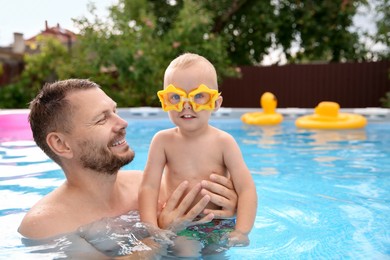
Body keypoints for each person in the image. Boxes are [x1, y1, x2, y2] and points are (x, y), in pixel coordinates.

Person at [18, 79, 238, 256]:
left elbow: (209, 242)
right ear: (61, 144)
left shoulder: (148, 186)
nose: (122, 123)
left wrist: (226, 212)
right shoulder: (46, 224)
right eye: (102, 119)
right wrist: (161, 234)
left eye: (115, 111)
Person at [138, 53, 257, 254]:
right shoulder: (162, 141)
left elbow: (246, 189)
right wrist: (152, 228)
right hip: (182, 226)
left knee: (217, 255)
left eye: (198, 96)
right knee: (187, 253)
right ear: (165, 101)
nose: (187, 105)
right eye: (176, 97)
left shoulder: (224, 143)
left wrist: (242, 231)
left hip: (219, 223)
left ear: (216, 103)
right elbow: (148, 188)